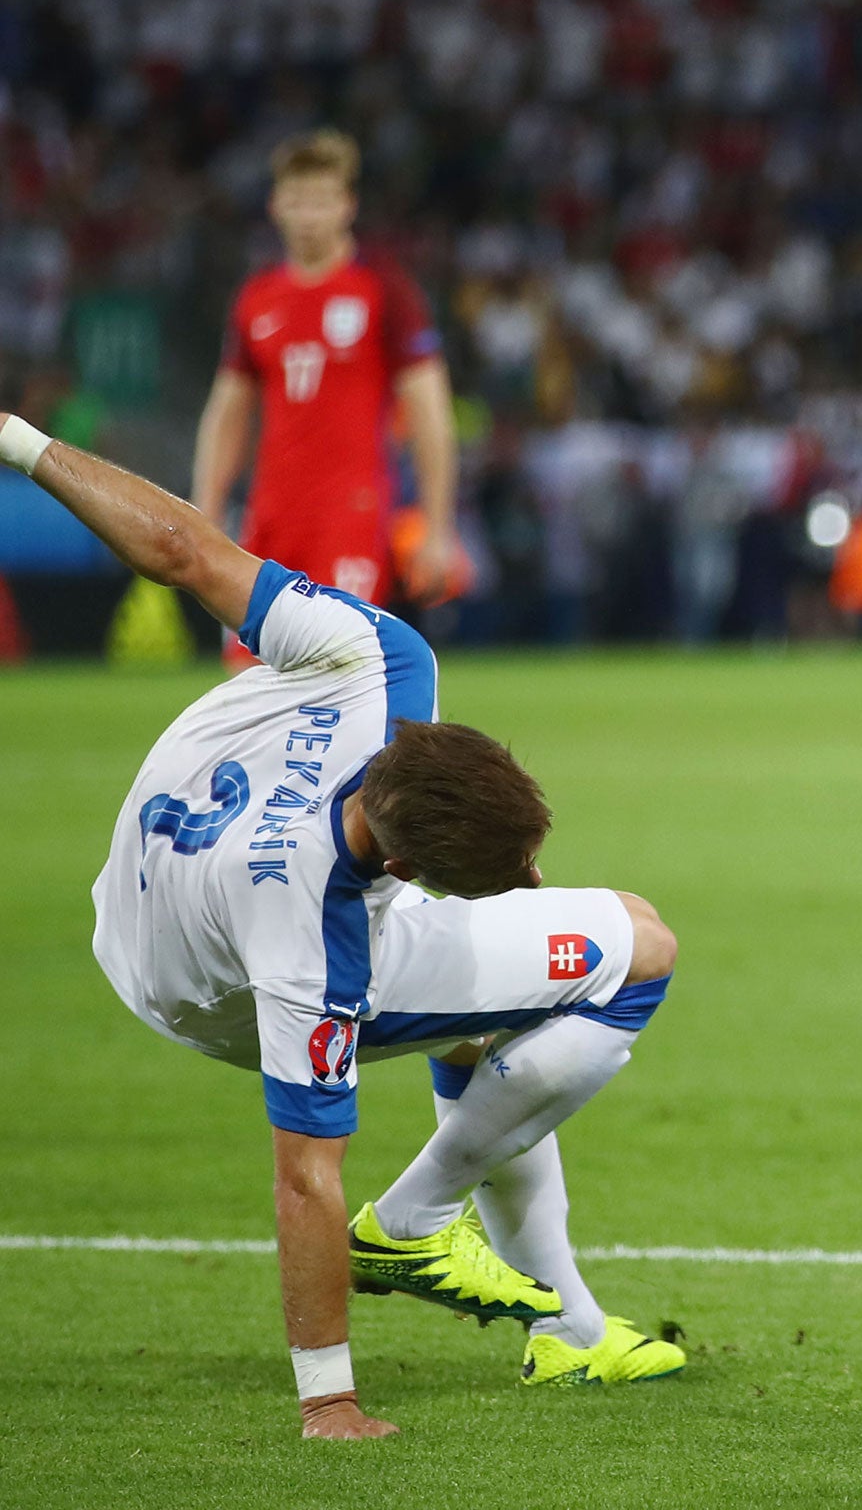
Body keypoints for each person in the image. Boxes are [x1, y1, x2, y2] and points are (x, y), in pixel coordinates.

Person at [0, 410, 686, 1440]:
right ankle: (415, 1224)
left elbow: (182, 550)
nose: (534, 878)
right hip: (207, 988)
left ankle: (574, 1334)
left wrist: (17, 438)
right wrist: (331, 1399)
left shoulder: (381, 655)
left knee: (487, 1021)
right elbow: (304, 1177)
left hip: (139, 886)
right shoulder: (313, 949)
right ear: (409, 871)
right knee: (638, 946)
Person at [191, 128, 462, 651]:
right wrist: (207, 509)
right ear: (275, 206)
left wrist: (438, 525)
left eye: (321, 200)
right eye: (297, 200)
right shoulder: (256, 299)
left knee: (339, 669)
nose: (309, 214)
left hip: (350, 517)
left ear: (347, 205)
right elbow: (227, 413)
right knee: (250, 675)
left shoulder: (385, 291)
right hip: (268, 518)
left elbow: (430, 413)